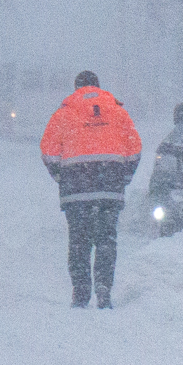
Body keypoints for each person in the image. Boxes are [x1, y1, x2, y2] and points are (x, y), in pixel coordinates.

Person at [39, 70, 142, 308]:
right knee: (106, 238)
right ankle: (104, 288)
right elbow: (135, 150)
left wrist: (62, 176)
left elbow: (48, 151)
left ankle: (81, 291)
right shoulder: (118, 112)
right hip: (110, 185)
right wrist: (123, 176)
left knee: (79, 240)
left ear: (77, 88)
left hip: (77, 187)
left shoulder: (63, 113)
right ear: (98, 86)